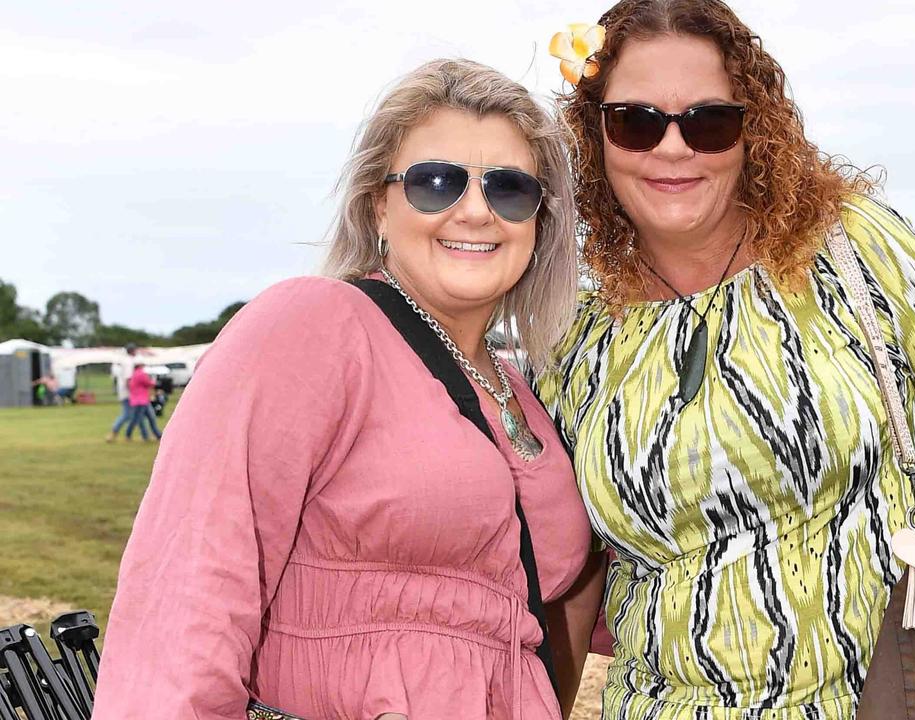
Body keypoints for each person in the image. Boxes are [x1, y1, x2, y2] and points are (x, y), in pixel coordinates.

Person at [539, 2, 915, 716]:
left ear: (752, 132)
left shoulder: (856, 251)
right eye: (637, 121)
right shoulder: (577, 331)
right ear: (595, 134)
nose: (672, 149)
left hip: (889, 699)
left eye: (708, 122)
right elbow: (573, 574)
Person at [94, 59, 601, 719]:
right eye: (435, 182)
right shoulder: (311, 324)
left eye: (508, 189)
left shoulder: (524, 393)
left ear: (539, 222)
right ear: (377, 206)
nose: (474, 210)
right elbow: (192, 588)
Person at [105, 344, 139, 442]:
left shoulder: (124, 361)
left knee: (136, 414)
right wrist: (133, 392)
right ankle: (113, 433)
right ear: (132, 351)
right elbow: (128, 379)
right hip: (128, 392)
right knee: (127, 414)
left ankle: (129, 435)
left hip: (125, 391)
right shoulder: (128, 362)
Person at [123, 363, 162, 441]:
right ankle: (129, 434)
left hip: (139, 400)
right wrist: (155, 382)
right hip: (141, 401)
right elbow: (148, 383)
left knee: (148, 418)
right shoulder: (141, 373)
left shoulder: (133, 374)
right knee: (138, 419)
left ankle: (157, 435)